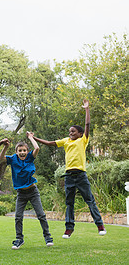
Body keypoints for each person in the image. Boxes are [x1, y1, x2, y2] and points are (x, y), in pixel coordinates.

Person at [32, 99, 106, 238]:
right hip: (69, 177)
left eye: (73, 131)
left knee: (89, 200)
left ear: (80, 133)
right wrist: (33, 137)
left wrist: (87, 109)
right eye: (69, 131)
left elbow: (88, 124)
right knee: (69, 203)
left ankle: (100, 225)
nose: (71, 133)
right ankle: (69, 228)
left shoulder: (82, 140)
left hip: (81, 175)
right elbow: (49, 143)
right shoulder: (65, 141)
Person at [0, 132, 54, 249]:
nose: (22, 152)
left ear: (27, 151)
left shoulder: (30, 157)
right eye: (20, 151)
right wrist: (5, 147)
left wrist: (31, 137)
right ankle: (19, 239)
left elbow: (37, 148)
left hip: (33, 191)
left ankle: (47, 236)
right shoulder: (13, 159)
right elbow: (1, 158)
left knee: (41, 215)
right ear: (16, 152)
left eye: (24, 150)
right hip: (21, 193)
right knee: (18, 217)